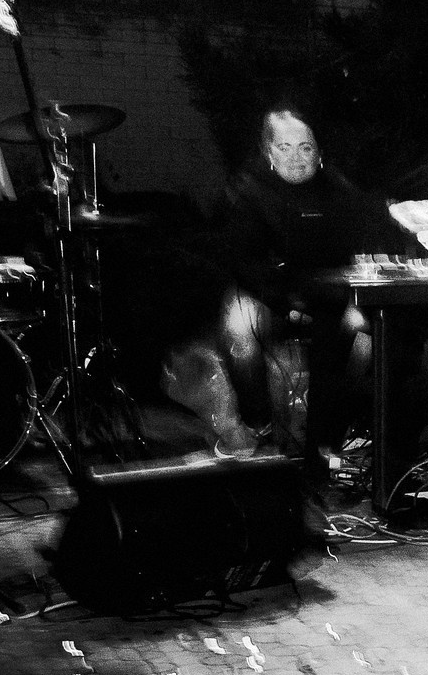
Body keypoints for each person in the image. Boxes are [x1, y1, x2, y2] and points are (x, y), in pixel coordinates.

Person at [163, 107, 400, 461]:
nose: (297, 158)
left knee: (364, 335)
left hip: (328, 295)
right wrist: (286, 302)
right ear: (269, 151)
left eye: (305, 147)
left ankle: (330, 434)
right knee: (241, 328)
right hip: (265, 292)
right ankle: (260, 423)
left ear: (318, 152)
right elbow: (240, 262)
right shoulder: (246, 190)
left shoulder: (337, 189)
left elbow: (370, 231)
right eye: (285, 147)